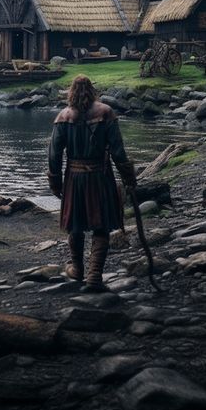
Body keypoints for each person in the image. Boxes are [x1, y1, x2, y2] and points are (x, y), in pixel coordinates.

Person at [48, 75, 136, 292]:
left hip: (74, 178)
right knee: (101, 225)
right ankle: (94, 275)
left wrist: (55, 183)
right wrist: (129, 178)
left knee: (75, 225)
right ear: (91, 90)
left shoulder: (63, 117)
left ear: (71, 92)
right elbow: (118, 152)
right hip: (99, 176)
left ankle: (78, 270)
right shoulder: (106, 113)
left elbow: (54, 155)